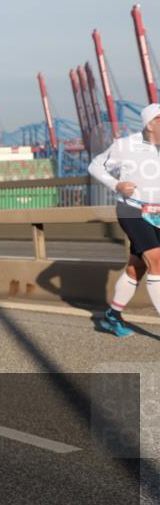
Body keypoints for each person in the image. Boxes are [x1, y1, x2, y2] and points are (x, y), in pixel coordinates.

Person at [88, 102, 160, 337]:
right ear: (150, 124)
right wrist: (116, 184)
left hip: (158, 212)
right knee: (157, 261)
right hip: (132, 210)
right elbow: (95, 166)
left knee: (136, 267)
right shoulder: (125, 145)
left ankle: (113, 315)